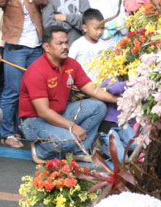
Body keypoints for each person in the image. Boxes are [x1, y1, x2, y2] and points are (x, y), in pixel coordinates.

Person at [18, 27, 117, 163]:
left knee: (99, 107)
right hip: (34, 121)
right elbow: (43, 112)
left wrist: (118, 100)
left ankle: (78, 151)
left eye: (66, 42)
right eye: (59, 43)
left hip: (59, 114)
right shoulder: (36, 71)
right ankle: (40, 151)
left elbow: (92, 89)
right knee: (69, 139)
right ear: (46, 47)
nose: (65, 47)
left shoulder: (71, 64)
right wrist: (72, 127)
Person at [0, 0, 48, 149]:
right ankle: (7, 132)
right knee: (12, 91)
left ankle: (25, 128)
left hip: (35, 47)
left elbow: (43, 0)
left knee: (33, 91)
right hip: (16, 46)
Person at [68, 9, 111, 81]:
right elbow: (69, 65)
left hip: (102, 85)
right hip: (83, 85)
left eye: (102, 28)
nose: (99, 32)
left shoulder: (105, 45)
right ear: (85, 28)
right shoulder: (77, 45)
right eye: (96, 28)